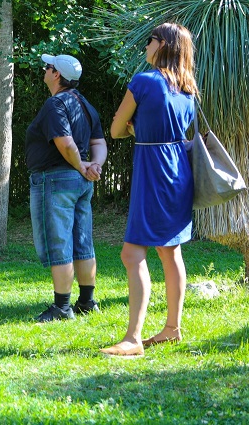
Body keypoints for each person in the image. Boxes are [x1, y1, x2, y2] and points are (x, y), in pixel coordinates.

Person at [100, 23, 198, 357]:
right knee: (170, 252)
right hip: (179, 171)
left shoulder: (144, 82)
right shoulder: (188, 89)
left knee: (132, 253)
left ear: (163, 45)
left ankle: (133, 338)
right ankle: (172, 328)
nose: (146, 46)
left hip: (153, 171)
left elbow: (115, 130)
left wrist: (131, 127)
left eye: (149, 40)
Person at [26, 54, 107, 322]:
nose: (44, 70)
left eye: (48, 67)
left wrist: (82, 165)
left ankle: (62, 307)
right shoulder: (85, 104)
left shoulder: (55, 104)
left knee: (58, 241)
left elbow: (65, 143)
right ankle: (87, 301)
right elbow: (99, 143)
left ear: (56, 74)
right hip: (81, 183)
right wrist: (93, 166)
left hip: (56, 180)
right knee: (82, 241)